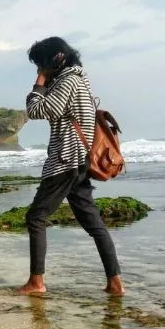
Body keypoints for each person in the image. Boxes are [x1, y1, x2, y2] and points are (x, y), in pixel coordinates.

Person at [18, 36, 125, 296]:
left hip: (65, 161)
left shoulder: (68, 81)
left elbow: (38, 110)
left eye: (40, 63)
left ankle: (36, 282)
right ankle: (115, 283)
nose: (38, 69)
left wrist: (39, 83)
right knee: (94, 224)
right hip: (80, 162)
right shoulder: (80, 80)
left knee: (36, 217)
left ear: (56, 58)